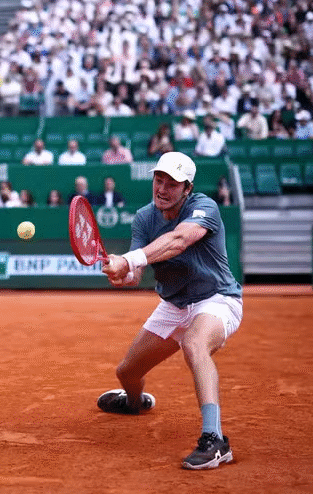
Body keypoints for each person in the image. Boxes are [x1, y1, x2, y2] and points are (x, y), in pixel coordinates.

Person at [97, 152, 242, 471]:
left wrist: (131, 260)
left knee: (194, 344)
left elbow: (178, 241)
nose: (162, 189)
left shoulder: (204, 207)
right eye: (158, 180)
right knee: (127, 373)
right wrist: (120, 271)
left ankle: (215, 440)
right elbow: (134, 276)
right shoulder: (144, 218)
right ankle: (133, 404)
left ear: (187, 188)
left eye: (172, 184)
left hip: (216, 299)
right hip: (173, 305)